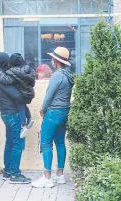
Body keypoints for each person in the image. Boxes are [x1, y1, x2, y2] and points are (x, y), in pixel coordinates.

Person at [31, 46, 74, 188]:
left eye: (53, 58)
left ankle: (47, 178)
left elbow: (49, 94)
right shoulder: (68, 75)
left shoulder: (57, 75)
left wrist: (43, 109)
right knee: (60, 143)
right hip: (64, 112)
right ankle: (60, 175)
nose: (51, 59)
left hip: (53, 112)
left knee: (45, 143)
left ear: (56, 60)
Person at [0, 52, 31, 184]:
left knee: (10, 142)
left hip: (5, 113)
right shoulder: (0, 77)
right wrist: (25, 93)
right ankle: (15, 174)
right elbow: (17, 96)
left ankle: (7, 171)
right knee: (18, 143)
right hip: (13, 114)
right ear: (4, 62)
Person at [0, 53, 35, 138]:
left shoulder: (14, 72)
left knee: (20, 107)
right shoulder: (28, 69)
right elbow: (32, 83)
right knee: (24, 106)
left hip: (21, 94)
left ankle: (23, 125)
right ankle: (29, 118)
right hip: (29, 93)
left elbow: (7, 80)